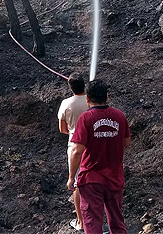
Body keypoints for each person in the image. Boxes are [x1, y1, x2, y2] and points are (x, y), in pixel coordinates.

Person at [67, 79, 131, 234]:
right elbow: (127, 142)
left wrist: (71, 177)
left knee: (92, 223)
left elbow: (76, 151)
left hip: (91, 179)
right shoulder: (120, 116)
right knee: (117, 221)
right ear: (107, 97)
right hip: (115, 178)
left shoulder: (86, 118)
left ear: (87, 99)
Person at [58, 72, 90, 232]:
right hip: (94, 144)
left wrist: (74, 130)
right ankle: (97, 220)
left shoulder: (65, 103)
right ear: (84, 85)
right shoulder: (92, 100)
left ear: (70, 87)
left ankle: (80, 222)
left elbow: (62, 129)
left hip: (74, 144)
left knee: (77, 183)